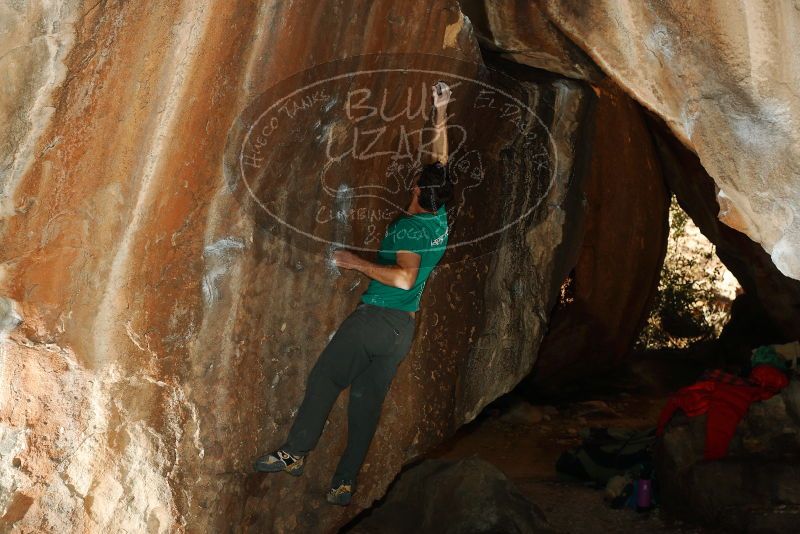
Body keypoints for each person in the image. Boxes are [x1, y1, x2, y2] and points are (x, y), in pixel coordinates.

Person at [253, 82, 453, 506]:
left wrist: (356, 262)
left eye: (415, 182)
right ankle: (343, 482)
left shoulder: (408, 228)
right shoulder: (440, 221)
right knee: (365, 405)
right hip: (402, 332)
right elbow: (441, 162)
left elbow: (403, 278)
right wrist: (441, 111)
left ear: (417, 191)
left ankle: (294, 453)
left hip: (376, 320)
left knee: (325, 378)